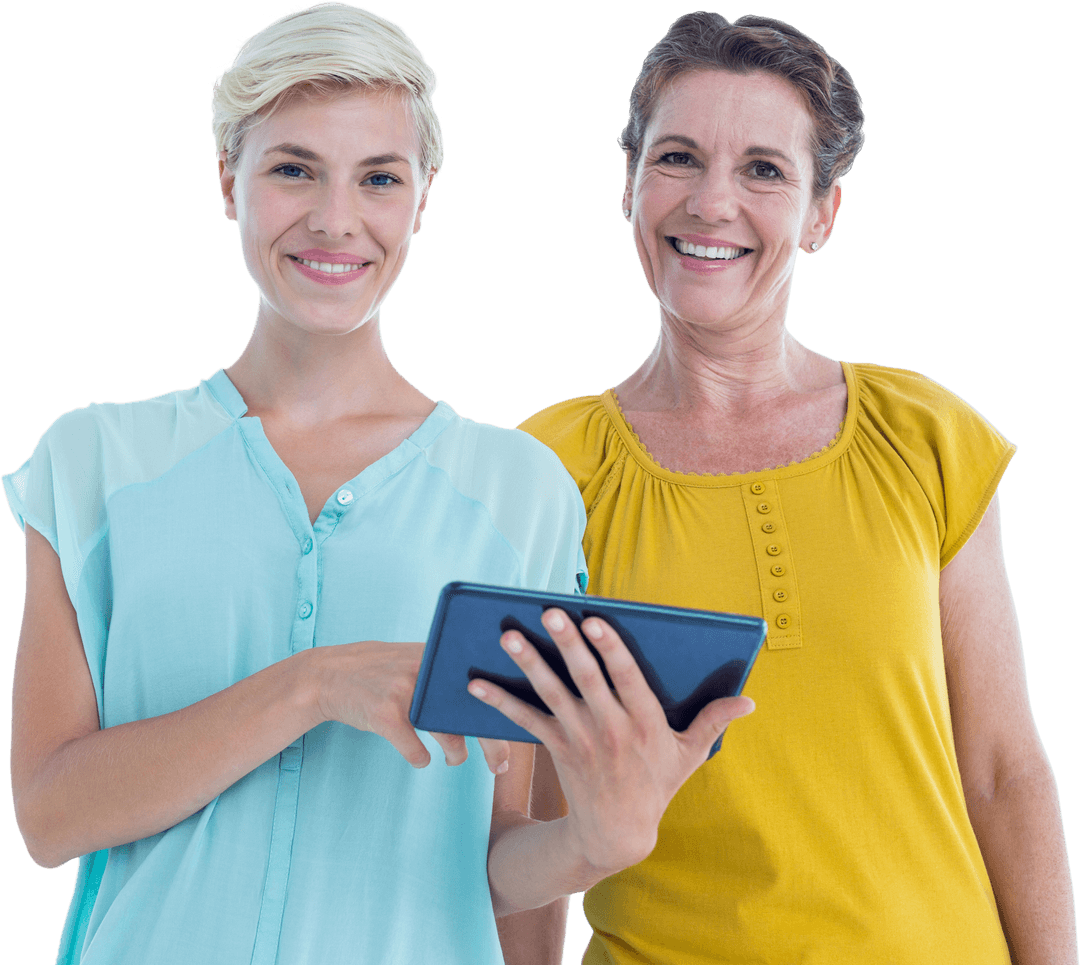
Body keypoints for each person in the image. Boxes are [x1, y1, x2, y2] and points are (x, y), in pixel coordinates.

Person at [2, 4, 756, 963]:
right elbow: (48, 813)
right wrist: (311, 686)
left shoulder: (518, 488)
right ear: (228, 178)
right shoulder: (95, 465)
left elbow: (488, 857)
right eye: (292, 169)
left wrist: (595, 841)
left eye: (379, 178)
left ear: (422, 198)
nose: (334, 219)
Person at [513, 12, 1078, 965]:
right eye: (678, 158)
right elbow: (532, 812)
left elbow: (1002, 769)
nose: (711, 202)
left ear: (822, 214)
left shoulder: (923, 433)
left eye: (765, 170)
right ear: (629, 186)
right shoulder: (546, 469)